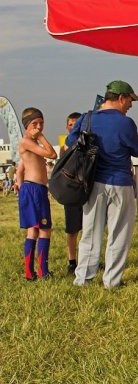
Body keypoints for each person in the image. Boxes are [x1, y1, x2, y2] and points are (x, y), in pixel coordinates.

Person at [66, 80, 138, 289]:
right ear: (120, 98)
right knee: (119, 233)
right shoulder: (126, 123)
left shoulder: (87, 118)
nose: (130, 105)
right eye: (130, 100)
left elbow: (69, 143)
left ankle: (83, 279)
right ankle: (112, 281)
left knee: (90, 233)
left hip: (93, 183)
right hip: (120, 182)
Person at [16, 107, 57, 280]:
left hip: (32, 189)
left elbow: (19, 170)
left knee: (33, 230)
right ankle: (42, 272)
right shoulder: (27, 142)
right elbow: (52, 154)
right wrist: (40, 136)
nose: (39, 127)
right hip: (34, 189)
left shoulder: (29, 145)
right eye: (35, 123)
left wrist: (20, 186)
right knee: (44, 229)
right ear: (27, 125)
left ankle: (30, 273)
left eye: (41, 123)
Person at [61, 112, 83, 273]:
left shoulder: (86, 144)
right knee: (72, 229)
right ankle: (72, 261)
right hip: (71, 191)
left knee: (88, 228)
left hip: (85, 190)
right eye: (70, 125)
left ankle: (87, 259)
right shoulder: (65, 147)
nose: (73, 127)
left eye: (76, 124)